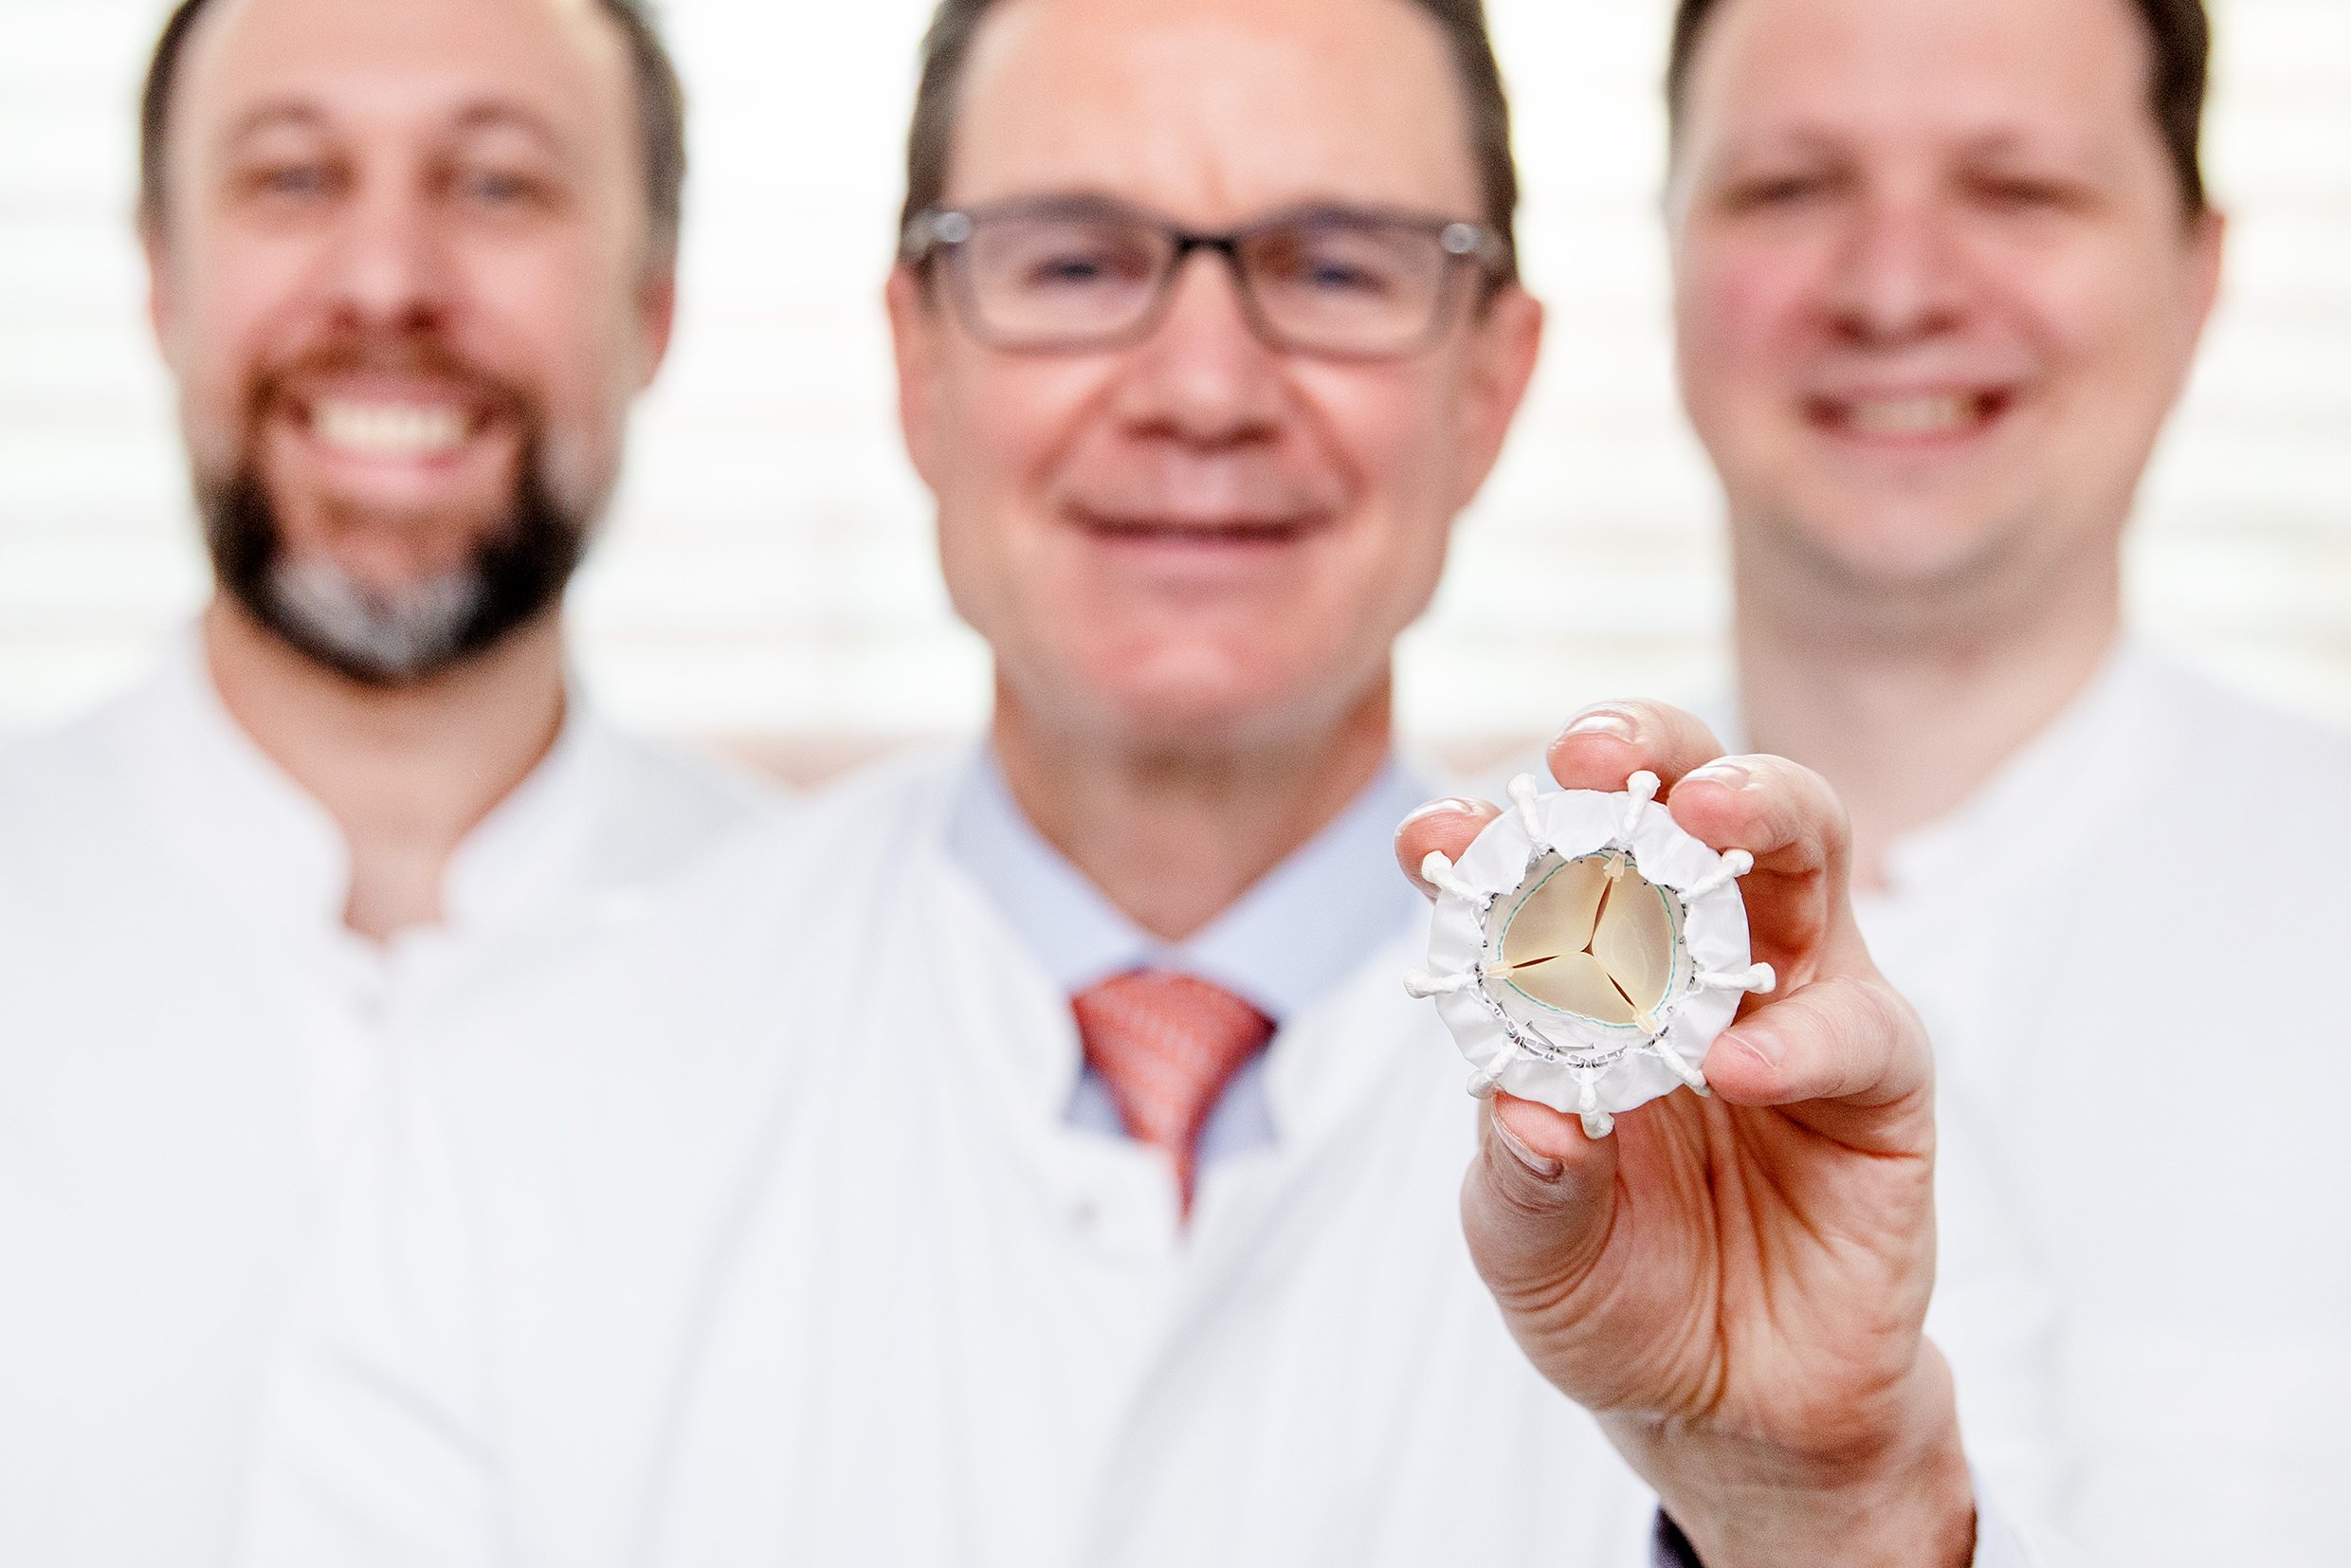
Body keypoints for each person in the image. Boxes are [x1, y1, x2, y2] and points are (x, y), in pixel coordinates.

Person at [237, 1, 2046, 1564]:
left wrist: (1817, 1511)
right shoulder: (505, 1113)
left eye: (1335, 267)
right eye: (1078, 262)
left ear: (1492, 384)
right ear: (915, 361)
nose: (1201, 386)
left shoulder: (1809, 1128)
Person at [0, 2, 772, 1565]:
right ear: (160, 277)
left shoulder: (850, 980)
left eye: (498, 187)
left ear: (658, 299)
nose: (385, 284)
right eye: (291, 180)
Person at [1617, 0, 2349, 1559]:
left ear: (2200, 271)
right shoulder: (1430, 953)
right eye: (1792, 188)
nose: (1894, 289)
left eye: (2016, 190)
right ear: (1666, 255)